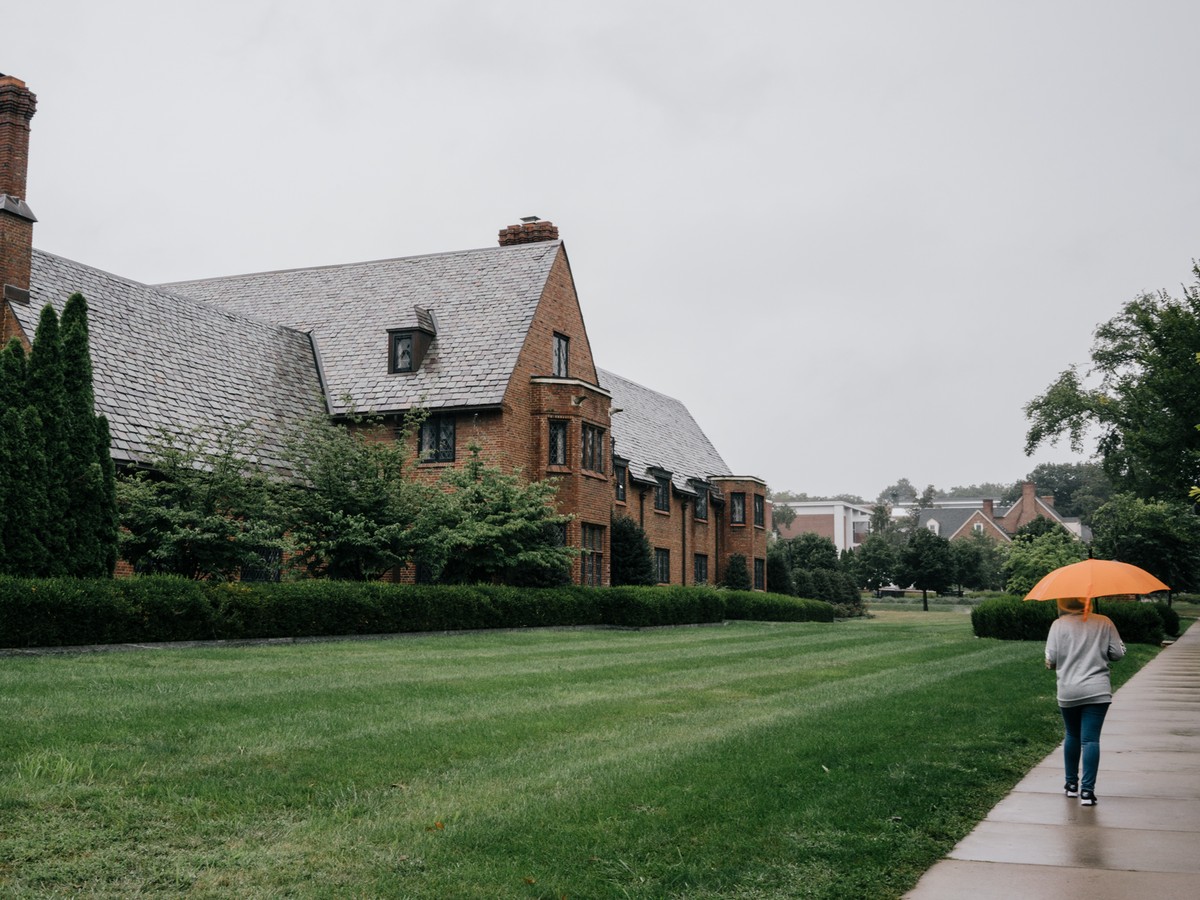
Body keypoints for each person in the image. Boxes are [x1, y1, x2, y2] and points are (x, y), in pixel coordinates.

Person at [1044, 597, 1126, 806]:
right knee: (1090, 740)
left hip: (1068, 690)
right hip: (1097, 690)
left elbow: (1051, 661)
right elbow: (1117, 654)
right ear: (1087, 601)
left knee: (1072, 734)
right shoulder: (1104, 621)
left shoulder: (1057, 625)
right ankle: (1087, 792)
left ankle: (1071, 785)